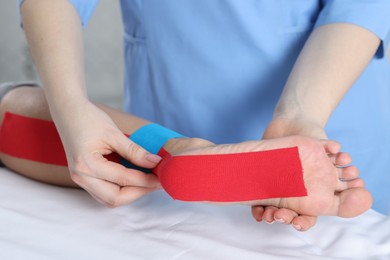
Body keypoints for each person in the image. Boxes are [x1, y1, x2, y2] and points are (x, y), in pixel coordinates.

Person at [12, 0, 390, 229]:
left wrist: (70, 105)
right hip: (317, 141)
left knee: (14, 112)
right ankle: (186, 156)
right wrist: (299, 112)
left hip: (323, 116)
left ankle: (175, 152)